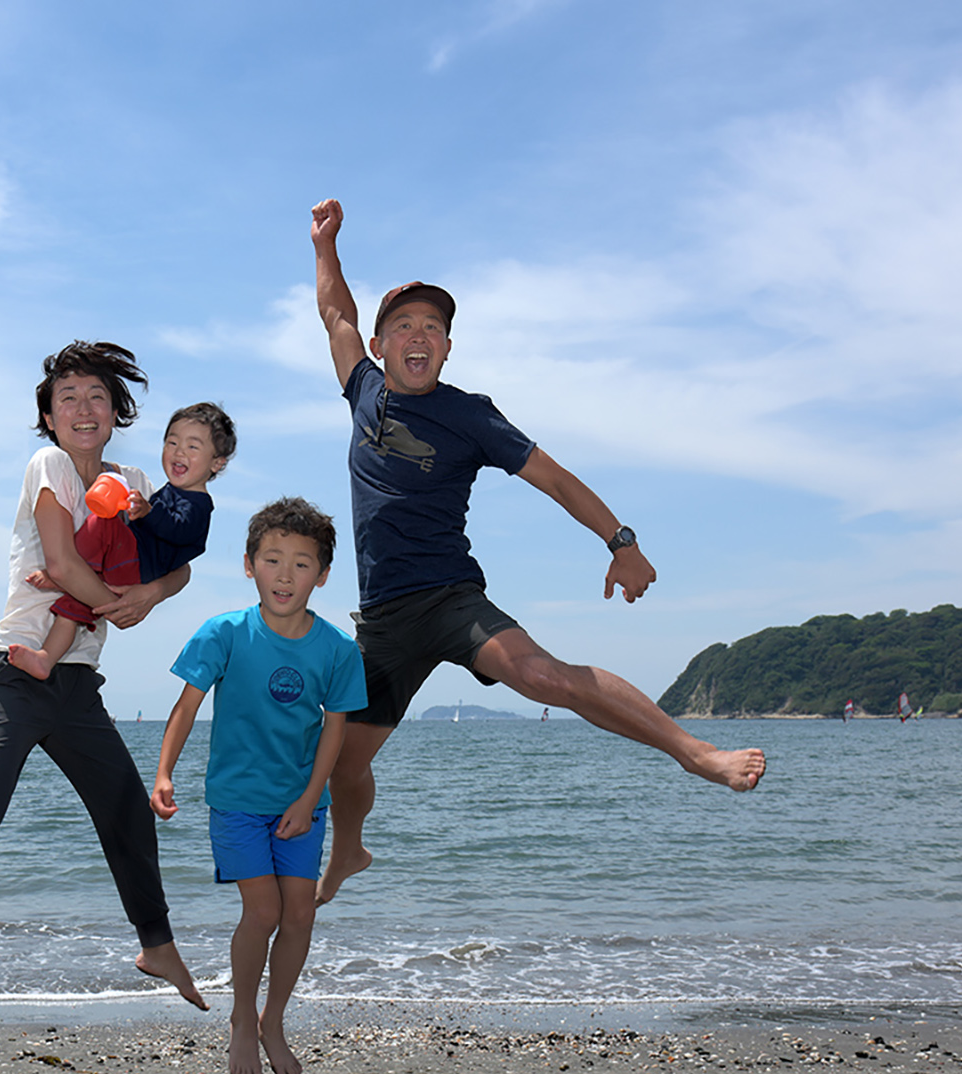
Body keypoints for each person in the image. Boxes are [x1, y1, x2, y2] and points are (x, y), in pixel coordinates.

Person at [308, 198, 766, 904]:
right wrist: (325, 246)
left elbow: (553, 478)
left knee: (542, 676)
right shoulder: (363, 389)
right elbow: (335, 312)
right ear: (381, 344)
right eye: (403, 325)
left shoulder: (469, 414)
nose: (419, 334)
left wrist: (621, 541)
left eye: (433, 326)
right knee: (342, 762)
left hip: (450, 599)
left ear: (448, 348)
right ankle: (350, 849)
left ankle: (696, 752)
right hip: (383, 622)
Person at [0, 341, 208, 1057]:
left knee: (125, 809)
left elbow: (176, 565)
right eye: (68, 399)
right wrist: (118, 599)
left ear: (116, 412)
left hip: (78, 683)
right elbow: (60, 562)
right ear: (50, 418)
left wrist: (149, 594)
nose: (83, 409)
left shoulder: (133, 481)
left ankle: (156, 944)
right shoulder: (48, 465)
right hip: (15, 674)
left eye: (97, 396)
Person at [151, 498, 367, 1074]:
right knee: (264, 911)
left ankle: (274, 1020)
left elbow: (335, 730)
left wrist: (310, 799)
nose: (285, 575)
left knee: (300, 913)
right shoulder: (223, 633)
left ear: (322, 575)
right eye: (272, 559)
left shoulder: (338, 650)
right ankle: (242, 1018)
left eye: (301, 563)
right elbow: (186, 707)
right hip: (237, 800)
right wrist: (164, 773)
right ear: (250, 566)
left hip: (302, 802)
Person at [8, 403, 236, 681]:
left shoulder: (199, 505)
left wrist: (147, 512)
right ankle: (46, 657)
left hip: (137, 568)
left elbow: (181, 533)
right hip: (131, 564)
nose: (179, 452)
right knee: (75, 606)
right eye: (172, 442)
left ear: (216, 463)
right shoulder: (171, 492)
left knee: (104, 522)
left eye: (192, 447)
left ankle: (64, 577)